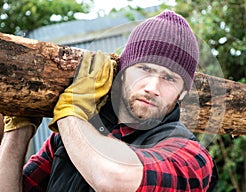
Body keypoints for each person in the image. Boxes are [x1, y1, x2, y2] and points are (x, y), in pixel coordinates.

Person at [0, 10, 218, 191]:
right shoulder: (63, 140)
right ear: (122, 72)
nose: (152, 88)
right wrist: (19, 130)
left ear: (182, 93)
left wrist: (72, 108)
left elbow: (112, 179)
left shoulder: (190, 156)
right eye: (143, 69)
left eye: (169, 78)